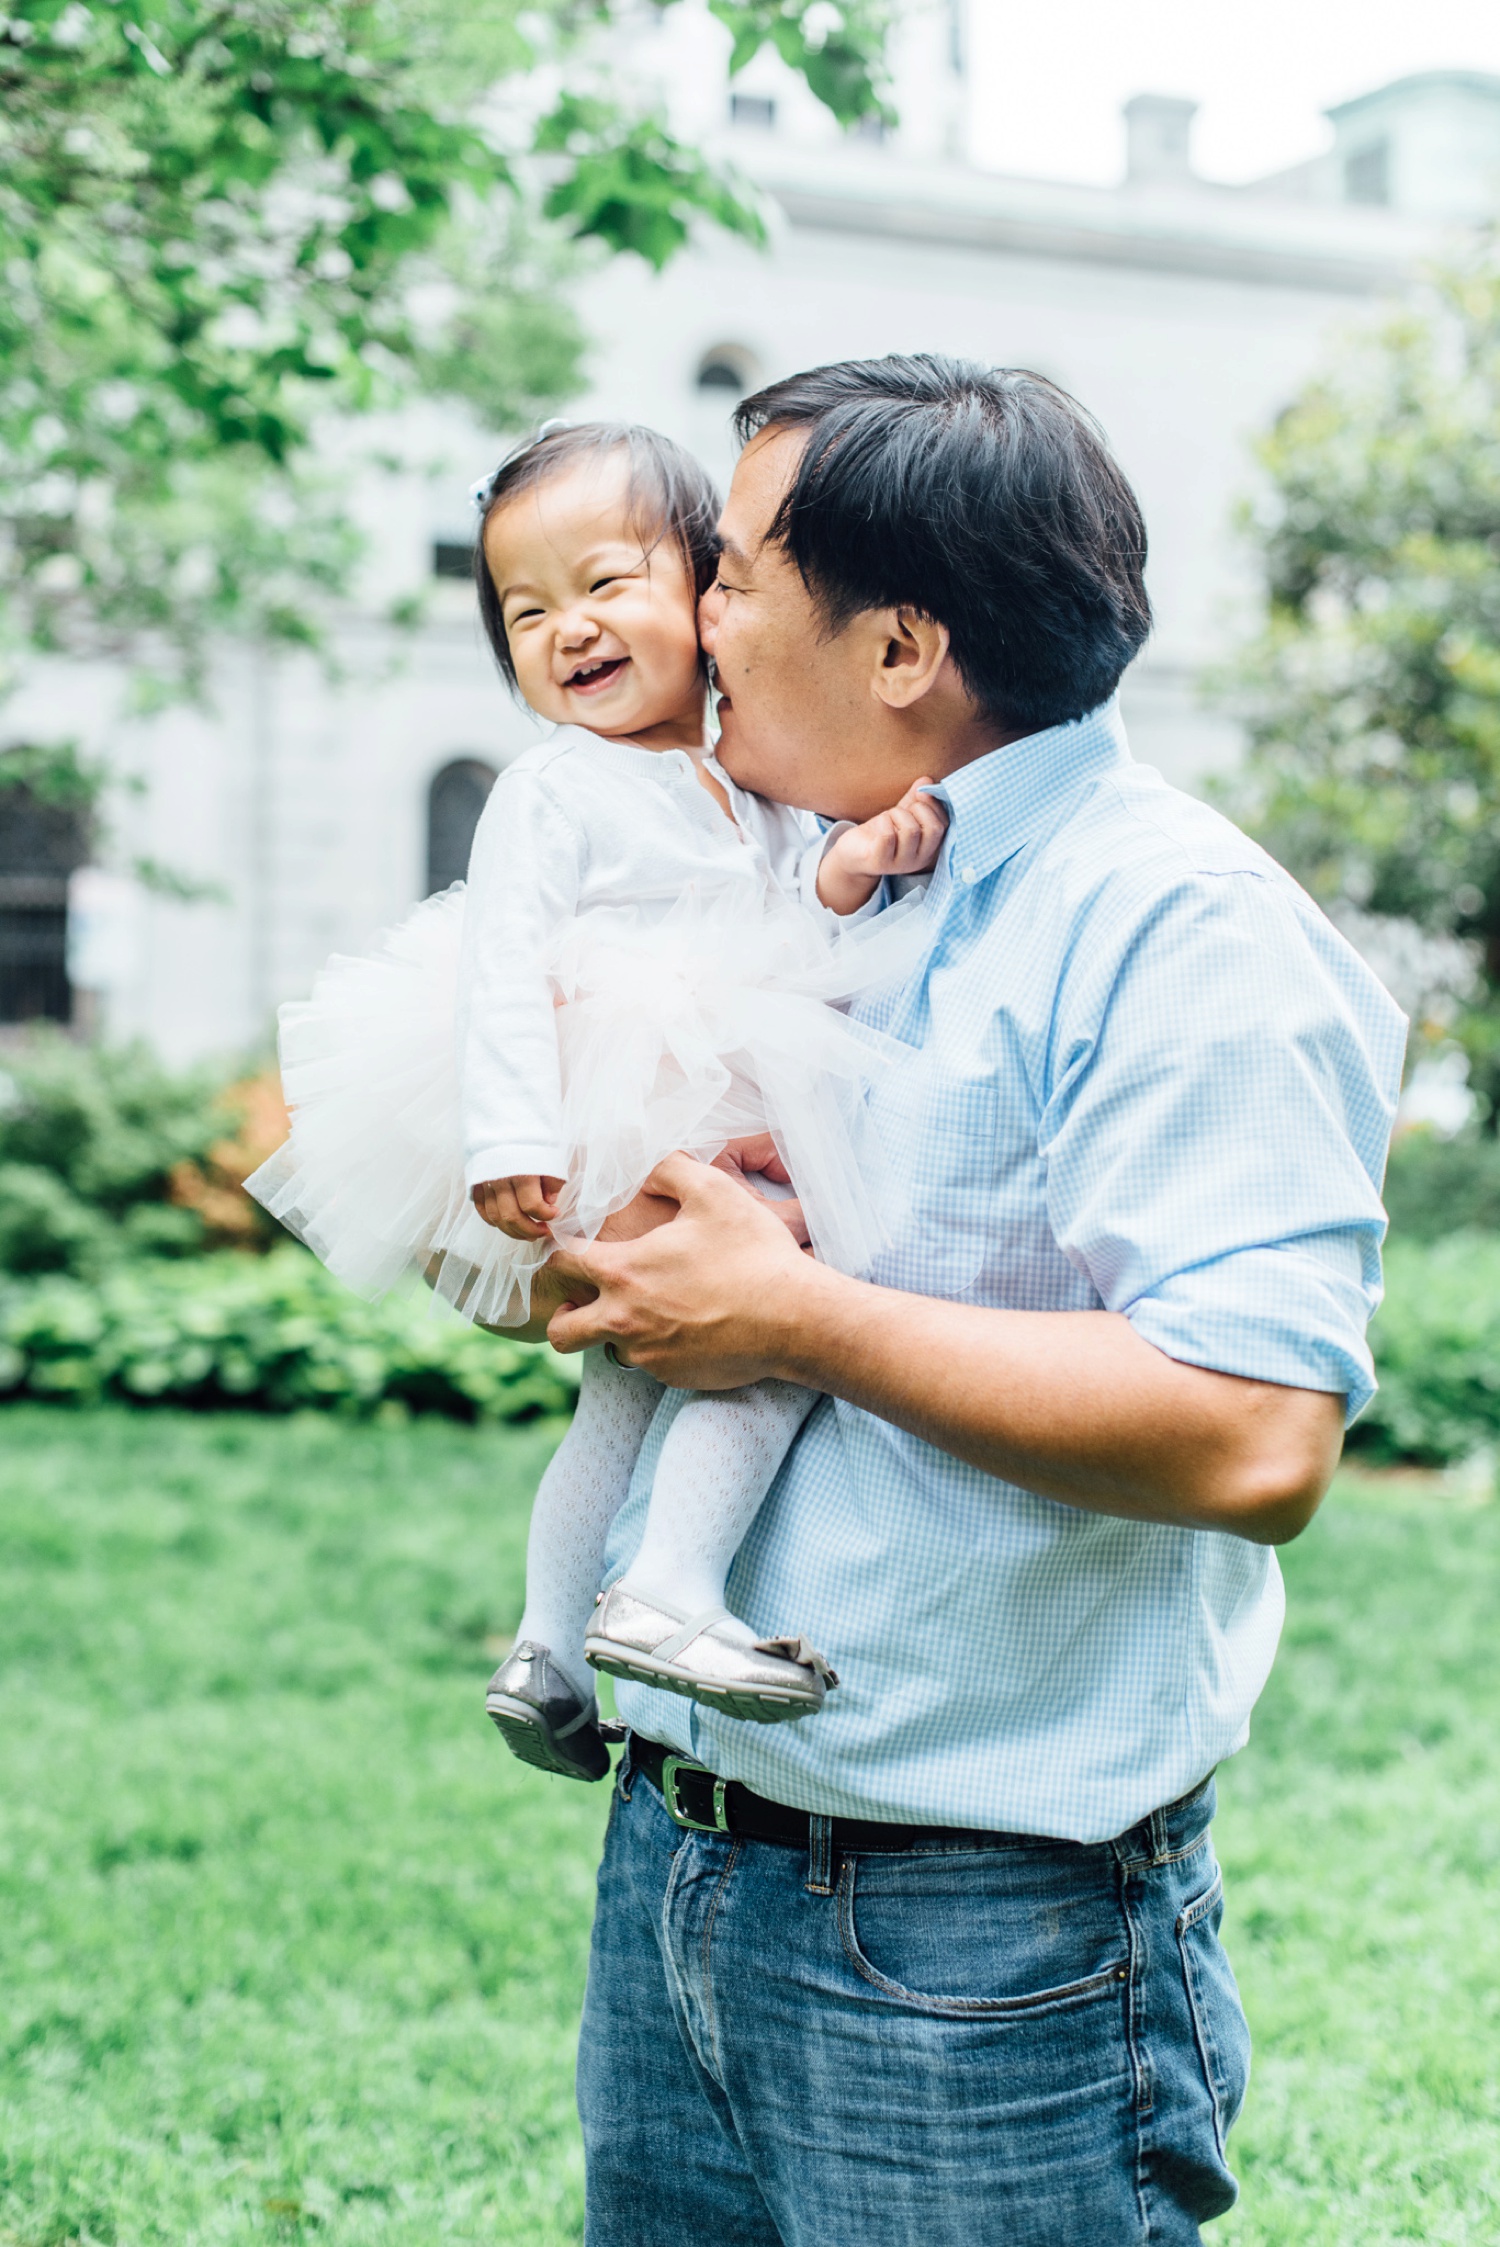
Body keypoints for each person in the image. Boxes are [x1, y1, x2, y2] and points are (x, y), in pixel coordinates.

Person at [510, 359, 1409, 2246]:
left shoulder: (1182, 931)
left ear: (904, 643)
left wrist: (795, 1319)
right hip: (684, 1851)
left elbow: (1255, 1436)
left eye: (733, 572)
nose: (694, 615)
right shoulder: (800, 872)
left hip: (979, 1947)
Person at [247, 420, 947, 1783]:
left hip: (721, 1094)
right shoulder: (554, 789)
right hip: (631, 1112)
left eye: (607, 583)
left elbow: (781, 909)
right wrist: (510, 1134)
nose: (568, 627)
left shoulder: (746, 770)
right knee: (775, 1340)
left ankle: (551, 1650)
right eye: (527, 609)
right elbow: (502, 963)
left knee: (624, 1389)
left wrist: (851, 865)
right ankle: (672, 1590)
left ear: (707, 591)